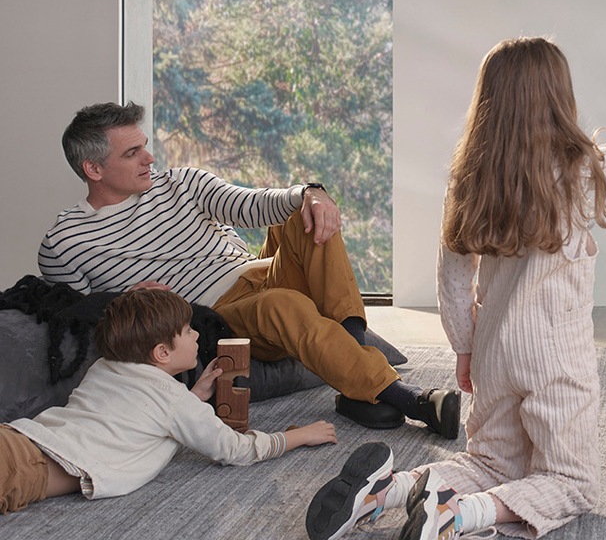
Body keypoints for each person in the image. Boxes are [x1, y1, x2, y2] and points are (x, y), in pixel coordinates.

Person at [305, 37, 606, 540]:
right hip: (556, 361)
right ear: (558, 100)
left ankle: (386, 491)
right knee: (573, 483)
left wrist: (465, 350)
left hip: (494, 352)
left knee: (490, 462)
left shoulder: (469, 182)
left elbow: (453, 279)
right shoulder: (579, 171)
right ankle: (458, 516)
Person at [38, 102, 461, 436]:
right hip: (219, 315)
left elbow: (254, 204)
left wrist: (310, 193)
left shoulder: (181, 182)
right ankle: (412, 400)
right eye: (132, 153)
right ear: (93, 169)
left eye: (145, 145)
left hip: (257, 271)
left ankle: (358, 384)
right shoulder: (65, 242)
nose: (150, 157)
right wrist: (120, 300)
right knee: (284, 305)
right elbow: (72, 316)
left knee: (305, 215)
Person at [0, 288, 336, 514]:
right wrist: (298, 436)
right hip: (24, 466)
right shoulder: (172, 401)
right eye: (189, 331)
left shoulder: (104, 367)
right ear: (162, 352)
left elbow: (138, 414)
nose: (198, 335)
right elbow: (235, 450)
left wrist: (194, 397)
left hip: (19, 439)